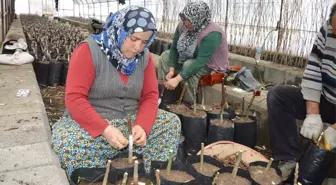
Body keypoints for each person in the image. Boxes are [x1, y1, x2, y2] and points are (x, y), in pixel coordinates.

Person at [51, 6, 181, 177]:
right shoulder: (89, 51)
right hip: (93, 122)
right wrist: (105, 129)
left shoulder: (145, 58)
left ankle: (147, 174)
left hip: (131, 121)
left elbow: (150, 95)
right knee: (66, 143)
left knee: (171, 123)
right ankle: (100, 177)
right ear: (119, 30)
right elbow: (74, 98)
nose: (138, 47)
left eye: (144, 42)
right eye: (133, 39)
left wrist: (142, 125)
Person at [267, 3, 336, 181]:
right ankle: (288, 158)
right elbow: (314, 67)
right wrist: (313, 112)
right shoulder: (327, 29)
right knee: (278, 96)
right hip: (327, 97)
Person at [157, 1, 229, 104]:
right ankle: (166, 95)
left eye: (189, 20)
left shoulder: (212, 34)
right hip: (190, 58)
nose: (185, 23)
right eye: (184, 19)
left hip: (210, 66)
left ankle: (188, 103)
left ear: (198, 19)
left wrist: (177, 79)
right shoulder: (182, 26)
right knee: (165, 56)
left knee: (189, 65)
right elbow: (174, 48)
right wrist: (172, 70)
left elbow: (200, 61)